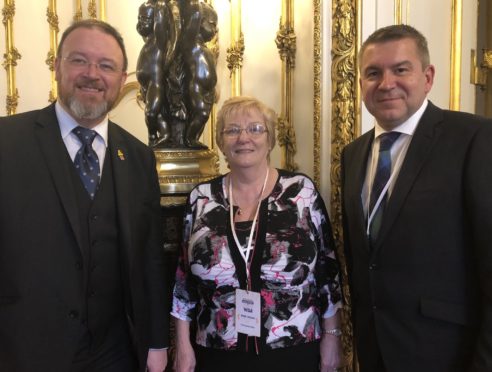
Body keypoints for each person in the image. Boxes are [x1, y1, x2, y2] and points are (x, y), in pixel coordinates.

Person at [0, 20, 170, 372]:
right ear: (58, 66)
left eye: (106, 66)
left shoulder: (139, 157)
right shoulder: (6, 142)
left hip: (116, 353)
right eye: (79, 60)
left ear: (122, 80)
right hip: (23, 351)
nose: (92, 74)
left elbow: (149, 259)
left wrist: (156, 341)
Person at [341, 24, 492, 371]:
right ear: (362, 84)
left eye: (401, 69)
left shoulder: (474, 139)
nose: (386, 83)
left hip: (450, 355)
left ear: (428, 76)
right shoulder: (353, 154)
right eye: (373, 73)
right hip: (375, 351)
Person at [172, 96, 344, 372]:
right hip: (217, 350)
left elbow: (328, 273)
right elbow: (182, 283)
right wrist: (182, 345)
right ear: (220, 142)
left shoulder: (301, 192)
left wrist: (333, 338)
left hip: (293, 348)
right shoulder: (201, 199)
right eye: (232, 130)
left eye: (255, 128)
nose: (244, 138)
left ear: (270, 139)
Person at [181, 0, 218, 149]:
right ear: (199, 22)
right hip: (195, 87)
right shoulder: (191, 42)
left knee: (204, 115)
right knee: (201, 113)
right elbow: (194, 14)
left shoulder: (205, 48)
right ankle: (190, 139)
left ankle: (193, 138)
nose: (215, 29)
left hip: (207, 90)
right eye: (212, 24)